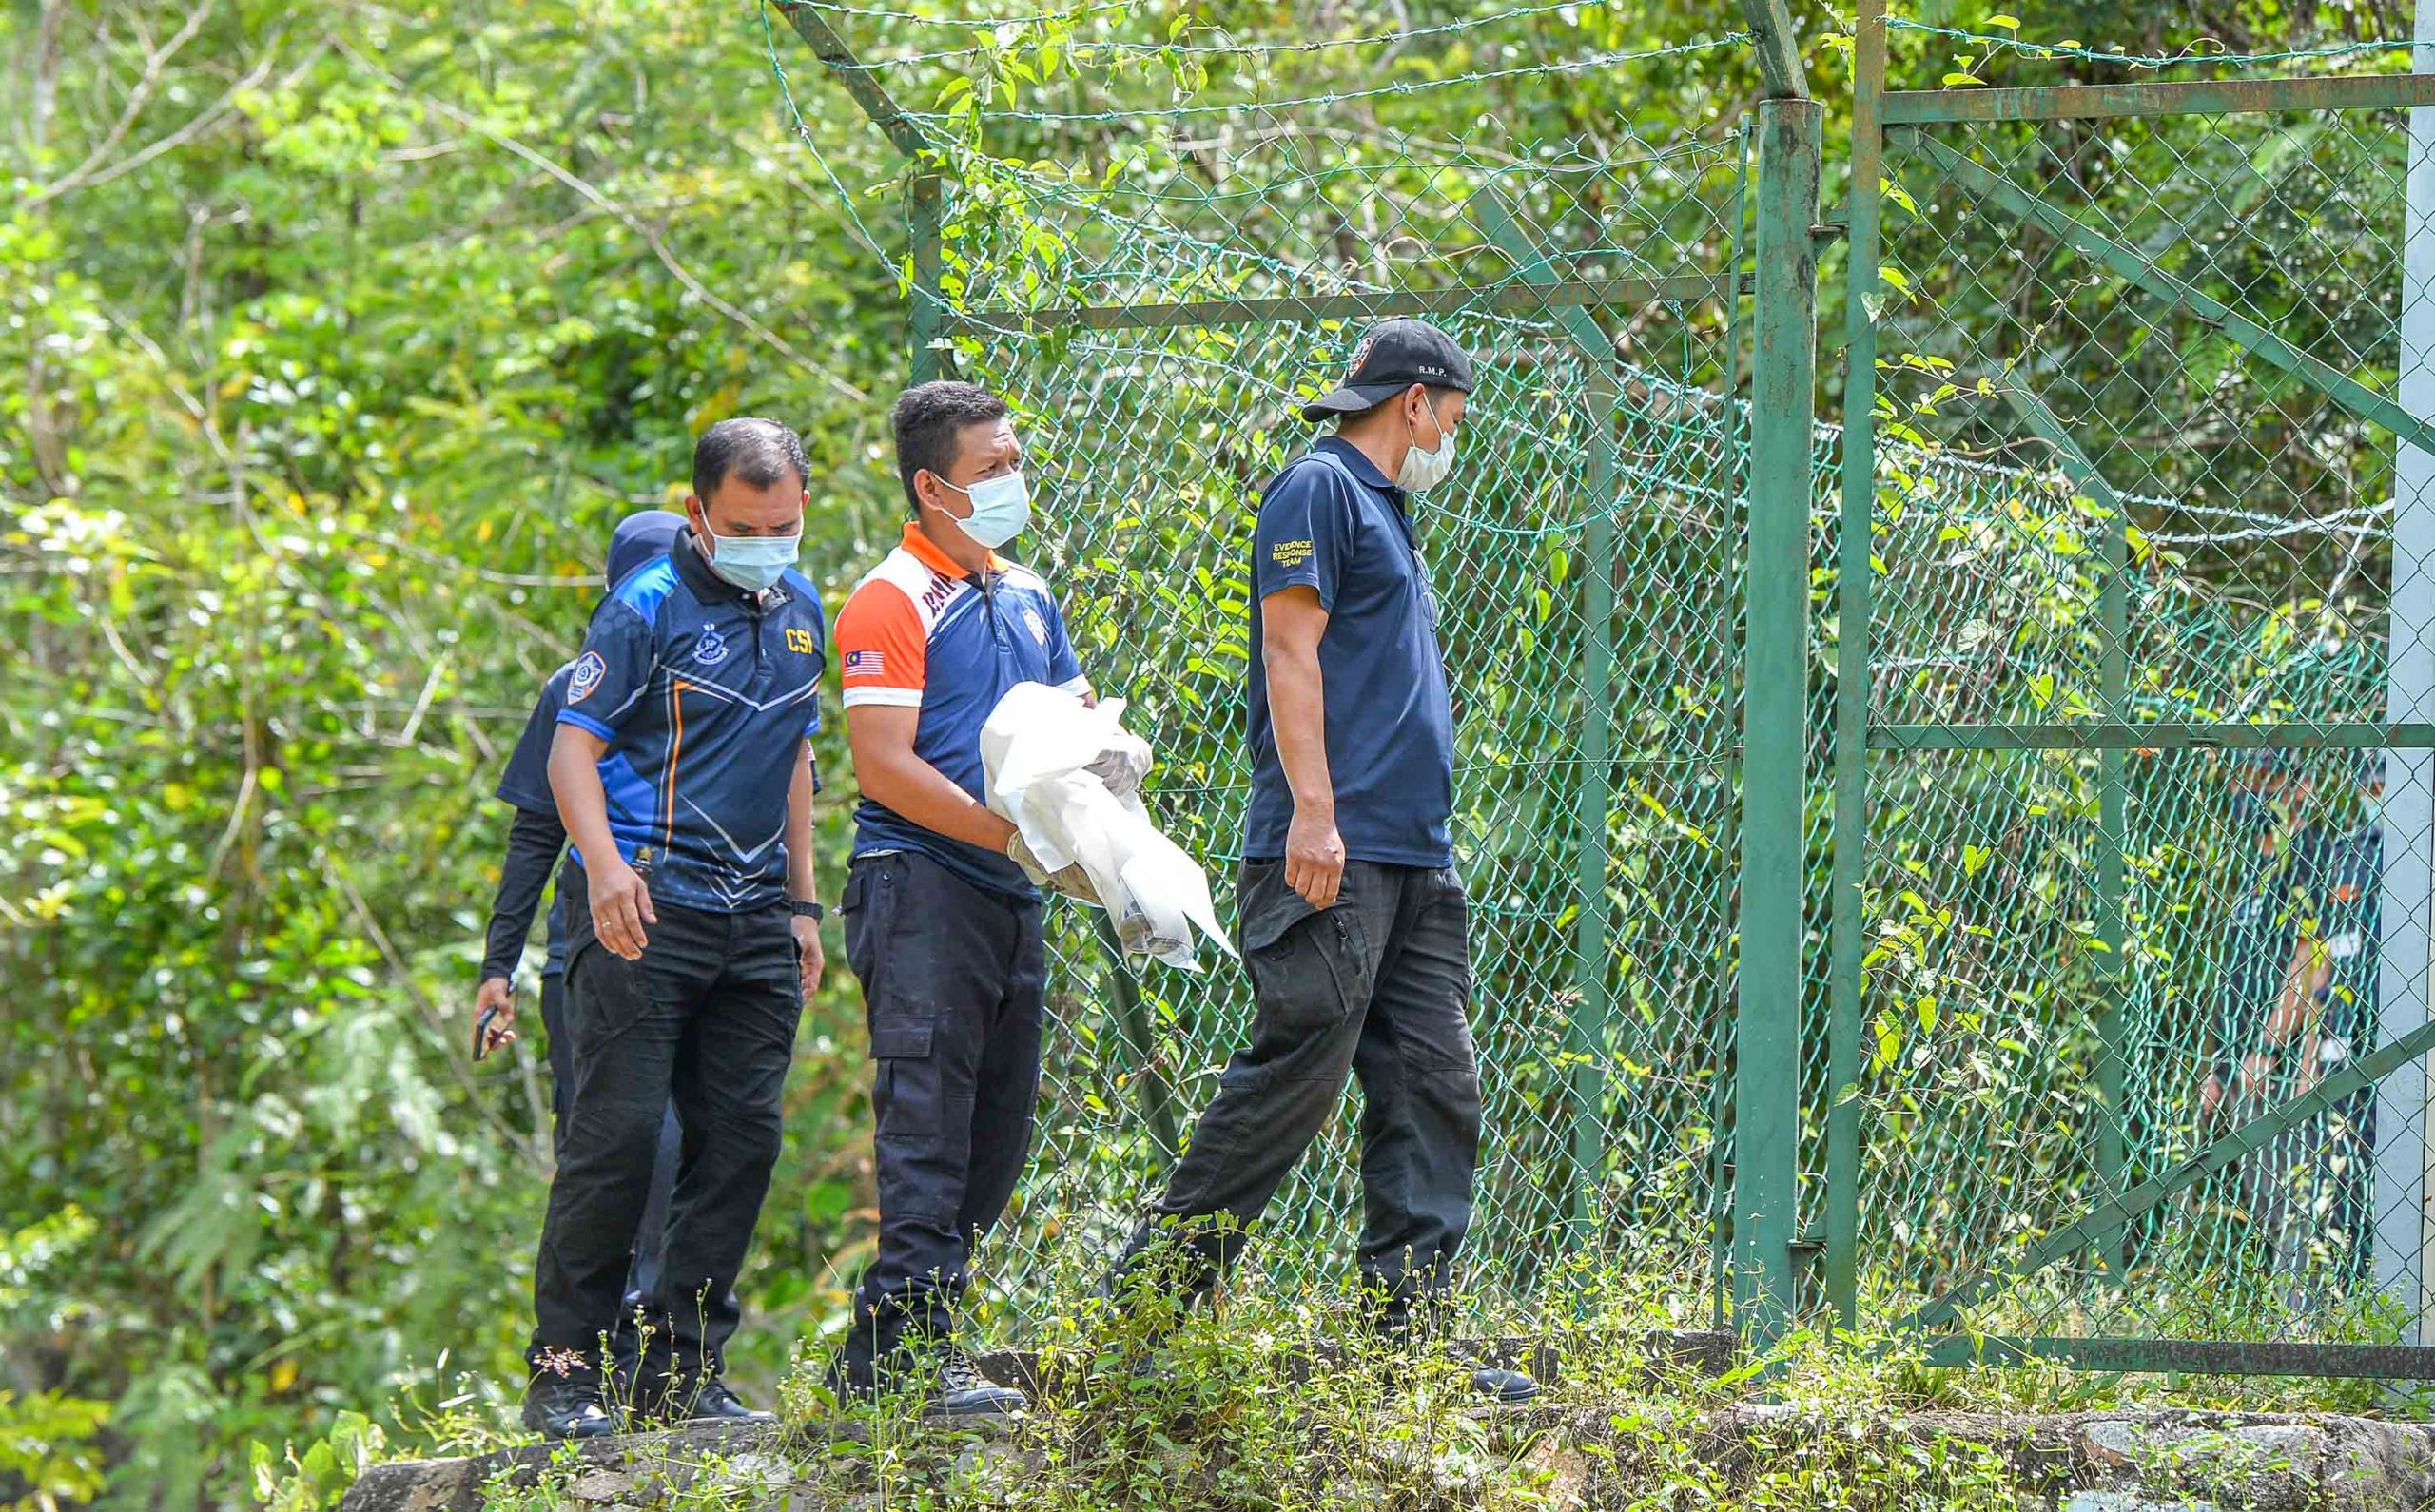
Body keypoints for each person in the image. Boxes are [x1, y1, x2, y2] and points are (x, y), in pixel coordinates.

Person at [1103, 320, 1535, 1403]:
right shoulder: (1320, 489)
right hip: (1330, 848)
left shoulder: (1385, 508)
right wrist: (1312, 814)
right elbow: (1288, 651)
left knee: (1435, 1083)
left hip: (1413, 858)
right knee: (1299, 1070)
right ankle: (1150, 1303)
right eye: (1454, 417)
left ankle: (1410, 1335)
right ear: (1418, 402)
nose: (1452, 437)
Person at [521, 418, 828, 1438]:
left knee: (741, 1141)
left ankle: (682, 1372)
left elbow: (794, 757)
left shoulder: (800, 608)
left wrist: (801, 901)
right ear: (697, 513)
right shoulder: (643, 608)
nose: (766, 543)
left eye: (782, 525)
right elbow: (572, 754)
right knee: (613, 1145)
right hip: (644, 912)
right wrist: (604, 871)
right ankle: (565, 1374)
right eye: (745, 526)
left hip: (754, 921)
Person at [825, 381, 1099, 1418]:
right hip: (919, 887)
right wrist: (1009, 836)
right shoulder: (889, 599)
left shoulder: (1027, 592)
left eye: (1014, 461)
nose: (1012, 480)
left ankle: (877, 1356)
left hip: (1009, 893)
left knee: (995, 1132)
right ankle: (910, 1356)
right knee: (928, 1122)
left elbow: (1074, 725)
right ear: (933, 486)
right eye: (991, 469)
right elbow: (885, 768)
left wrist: (1108, 812)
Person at [473, 508, 688, 1374]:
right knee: (620, 1146)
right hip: (595, 959)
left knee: (702, 1146)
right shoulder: (581, 686)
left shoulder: (729, 677)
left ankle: (672, 1355)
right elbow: (536, 832)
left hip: (716, 947)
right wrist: (501, 966)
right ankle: (589, 1352)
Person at [2207, 750, 2383, 1299]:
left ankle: (2312, 1329)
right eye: (2246, 777)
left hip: (2291, 1064)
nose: (2254, 791)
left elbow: (2311, 962)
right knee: (2279, 1210)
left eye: (2267, 778)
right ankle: (2297, 1327)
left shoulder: (2308, 861)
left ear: (2298, 786)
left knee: (2312, 1209)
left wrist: (2271, 1049)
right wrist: (2219, 1062)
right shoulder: (2250, 865)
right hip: (2262, 1064)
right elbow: (2232, 978)